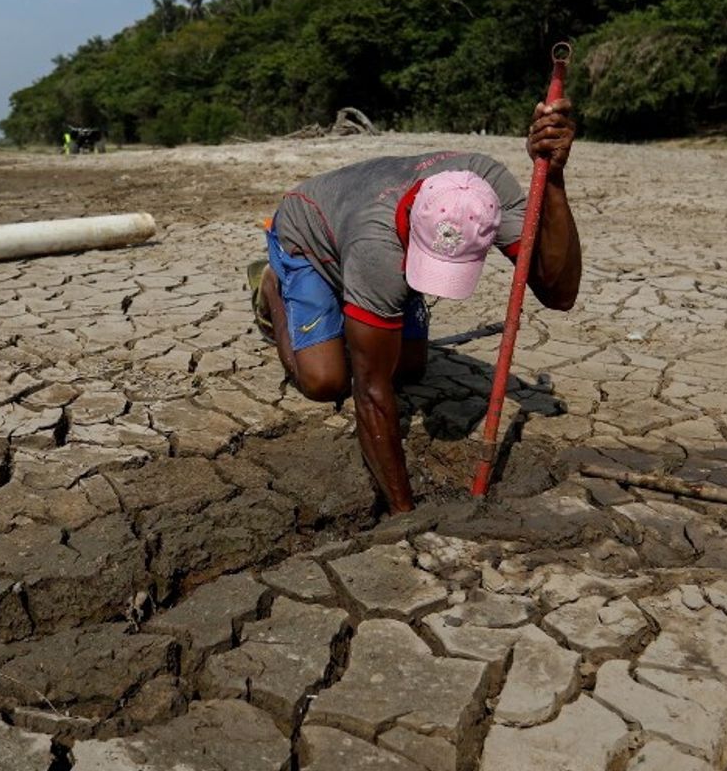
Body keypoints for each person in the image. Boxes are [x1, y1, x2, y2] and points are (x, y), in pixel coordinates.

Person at [248, 99, 581, 515]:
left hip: (363, 237)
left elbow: (559, 292)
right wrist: (404, 513)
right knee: (325, 382)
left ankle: (354, 310)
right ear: (411, 232)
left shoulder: (485, 189)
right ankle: (272, 284)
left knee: (409, 369)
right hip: (308, 234)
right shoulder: (378, 249)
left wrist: (553, 178)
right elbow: (368, 392)